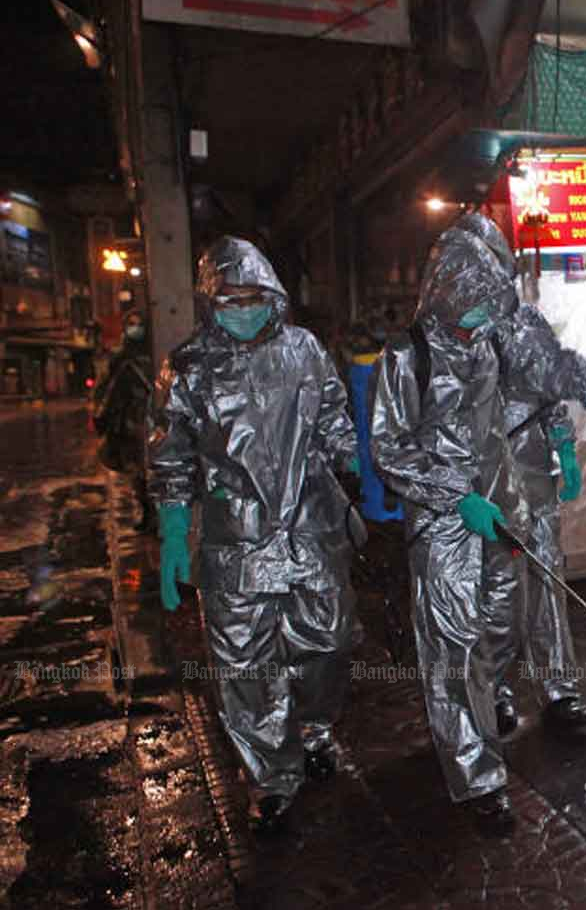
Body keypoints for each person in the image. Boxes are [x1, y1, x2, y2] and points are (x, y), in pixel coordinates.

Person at [370, 216, 586, 834]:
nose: (488, 311)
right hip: (444, 527)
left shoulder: (493, 340)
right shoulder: (406, 357)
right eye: (478, 300)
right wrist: (453, 494)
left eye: (494, 299)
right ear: (447, 291)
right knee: (453, 651)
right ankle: (477, 779)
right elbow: (388, 450)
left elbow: (544, 366)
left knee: (501, 626)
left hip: (501, 513)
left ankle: (494, 711)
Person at [147, 236, 361, 834]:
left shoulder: (305, 351)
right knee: (244, 664)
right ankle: (270, 777)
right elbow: (170, 458)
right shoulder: (186, 368)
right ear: (210, 302)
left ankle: (314, 728)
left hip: (310, 530)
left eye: (252, 298)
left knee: (329, 643)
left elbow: (335, 420)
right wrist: (172, 533)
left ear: (273, 297)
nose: (242, 308)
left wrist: (353, 474)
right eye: (229, 300)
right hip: (234, 539)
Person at [436, 213, 586, 735]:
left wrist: (564, 446)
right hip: (479, 478)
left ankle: (559, 688)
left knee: (545, 580)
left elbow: (547, 390)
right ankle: (494, 689)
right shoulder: (442, 338)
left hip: (530, 467)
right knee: (495, 590)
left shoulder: (527, 324)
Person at [94, 309, 154, 530]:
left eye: (139, 324)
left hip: (153, 420)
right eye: (131, 324)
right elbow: (110, 391)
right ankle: (147, 512)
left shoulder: (157, 352)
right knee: (137, 472)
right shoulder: (121, 359)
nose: (135, 328)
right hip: (131, 424)